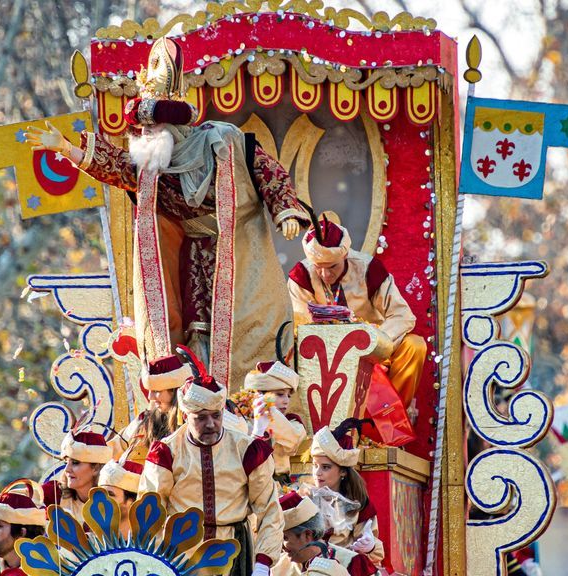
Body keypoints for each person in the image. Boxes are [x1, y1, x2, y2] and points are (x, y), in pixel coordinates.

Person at [26, 35, 309, 390]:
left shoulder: (223, 142)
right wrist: (67, 148)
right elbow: (115, 166)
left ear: (173, 129)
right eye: (142, 131)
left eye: (151, 130)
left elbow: (268, 172)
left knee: (246, 327)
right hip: (191, 255)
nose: (143, 137)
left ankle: (245, 399)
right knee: (195, 327)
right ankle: (200, 390)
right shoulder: (151, 167)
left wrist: (286, 211)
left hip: (235, 251)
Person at [138, 347, 284, 576]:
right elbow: (150, 512)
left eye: (216, 416)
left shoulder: (248, 450)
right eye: (201, 418)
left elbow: (269, 509)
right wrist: (152, 561)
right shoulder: (166, 452)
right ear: (185, 415)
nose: (210, 424)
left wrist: (263, 562)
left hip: (235, 552)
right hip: (180, 555)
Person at [286, 217, 427, 409]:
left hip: (374, 346)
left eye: (332, 267)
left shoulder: (368, 268)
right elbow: (300, 326)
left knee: (415, 346)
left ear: (344, 256)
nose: (326, 275)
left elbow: (403, 316)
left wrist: (373, 345)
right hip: (325, 354)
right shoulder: (301, 275)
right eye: (319, 267)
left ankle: (388, 424)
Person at [307, 420, 383, 574]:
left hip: (341, 569)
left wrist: (370, 546)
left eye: (325, 467)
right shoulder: (303, 498)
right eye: (315, 465)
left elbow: (373, 553)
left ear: (343, 471)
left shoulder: (360, 505)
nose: (317, 473)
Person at [244, 361, 308, 481]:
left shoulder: (292, 423)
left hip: (281, 486)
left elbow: (293, 439)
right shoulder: (242, 423)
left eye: (288, 396)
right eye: (280, 394)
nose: (286, 401)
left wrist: (268, 410)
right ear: (258, 394)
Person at [42, 430, 113, 524]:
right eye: (66, 463)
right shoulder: (53, 494)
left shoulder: (117, 500)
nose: (67, 469)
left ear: (95, 468)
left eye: (75, 463)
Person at [273, 492, 351, 576]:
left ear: (307, 535)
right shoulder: (277, 567)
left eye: (285, 538)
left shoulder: (350, 562)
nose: (281, 547)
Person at [98, 458, 143, 538]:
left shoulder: (150, 547)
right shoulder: (90, 544)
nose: (101, 501)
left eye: (110, 495)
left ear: (132, 502)